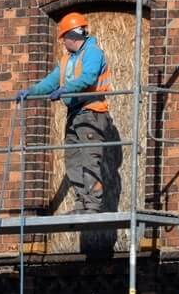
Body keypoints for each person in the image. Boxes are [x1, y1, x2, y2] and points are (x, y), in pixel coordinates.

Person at [17, 12, 114, 214]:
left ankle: (93, 205)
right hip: (74, 114)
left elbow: (88, 78)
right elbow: (50, 82)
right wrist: (31, 92)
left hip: (91, 112)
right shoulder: (66, 60)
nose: (63, 43)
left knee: (89, 159)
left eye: (64, 38)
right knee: (73, 160)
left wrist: (65, 89)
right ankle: (82, 203)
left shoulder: (93, 53)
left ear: (72, 36)